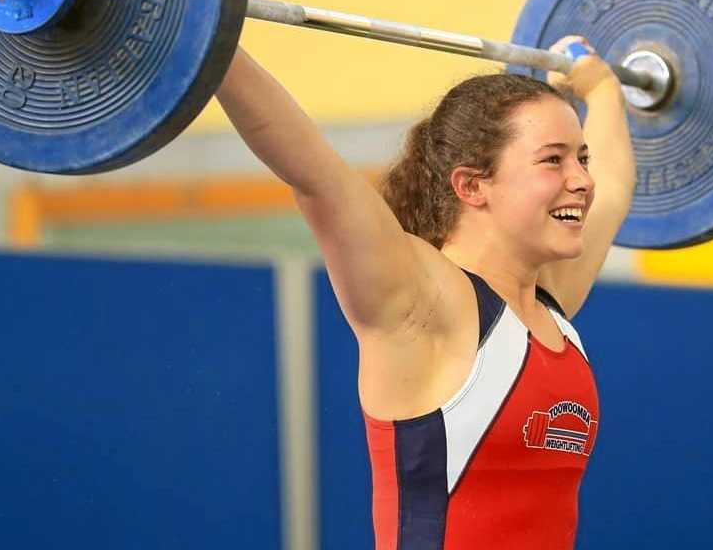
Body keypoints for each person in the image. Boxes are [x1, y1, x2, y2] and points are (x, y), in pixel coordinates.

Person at [215, 36, 633, 549]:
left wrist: (605, 90)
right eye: (553, 161)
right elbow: (314, 176)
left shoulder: (547, 303)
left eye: (581, 158)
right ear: (472, 186)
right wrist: (211, 42)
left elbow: (612, 184)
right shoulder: (423, 302)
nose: (581, 180)